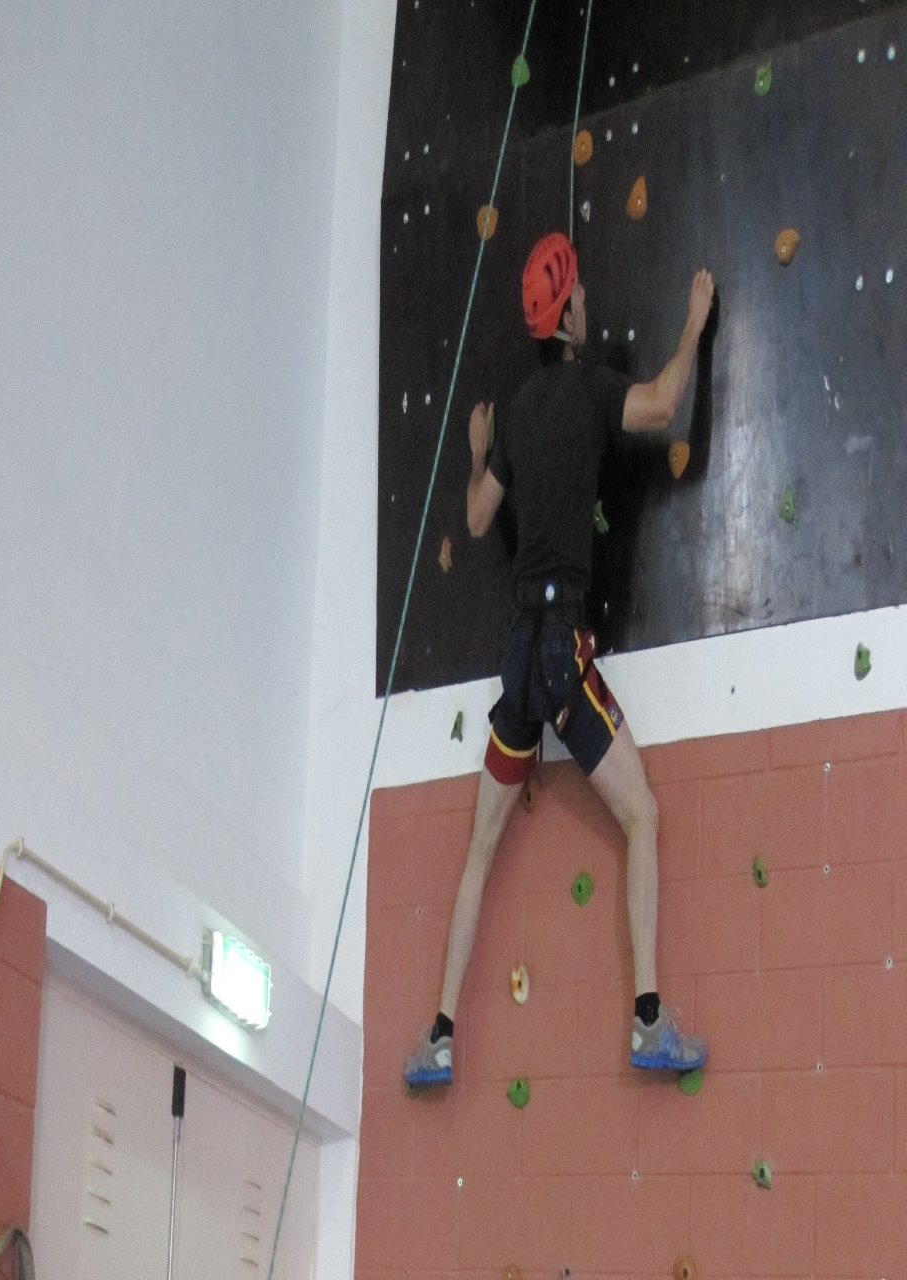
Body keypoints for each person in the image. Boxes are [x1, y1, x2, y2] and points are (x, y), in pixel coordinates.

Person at [404, 231, 715, 1088]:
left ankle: (439, 1037)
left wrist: (478, 452)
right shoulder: (590, 390)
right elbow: (662, 403)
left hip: (518, 658)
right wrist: (694, 323)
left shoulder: (512, 409)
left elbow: (476, 518)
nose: (584, 300)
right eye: (578, 292)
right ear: (569, 315)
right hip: (562, 654)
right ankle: (648, 1021)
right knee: (642, 815)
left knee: (479, 850)